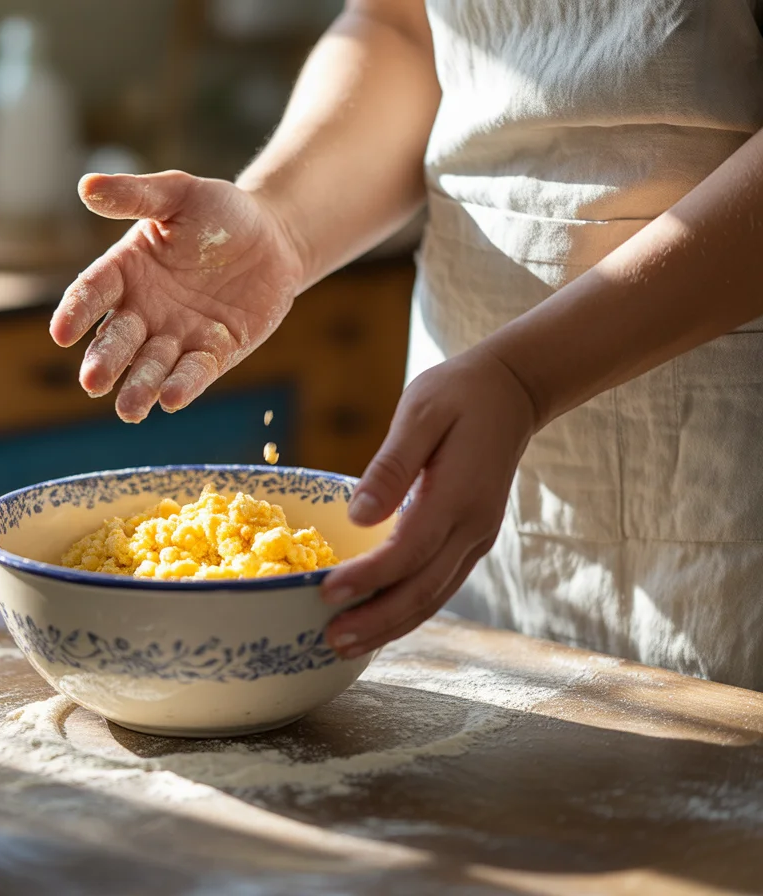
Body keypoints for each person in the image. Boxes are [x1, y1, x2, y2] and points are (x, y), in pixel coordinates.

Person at [49, 0, 763, 690]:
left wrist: (524, 378)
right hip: (468, 399)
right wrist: (284, 221)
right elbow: (403, 30)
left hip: (715, 465)